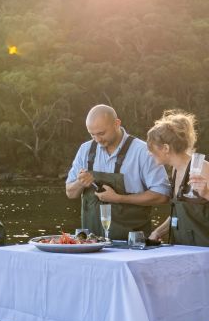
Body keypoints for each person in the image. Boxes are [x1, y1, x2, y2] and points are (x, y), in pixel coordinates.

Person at [66, 104, 170, 240]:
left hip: (132, 244)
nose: (97, 139)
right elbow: (70, 193)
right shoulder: (85, 150)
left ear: (117, 123)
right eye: (92, 134)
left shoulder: (143, 151)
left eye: (102, 133)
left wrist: (119, 198)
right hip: (90, 244)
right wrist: (80, 183)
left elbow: (162, 196)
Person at [147, 110, 209, 246]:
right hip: (183, 251)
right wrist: (158, 232)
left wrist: (206, 193)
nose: (149, 153)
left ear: (166, 148)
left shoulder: (202, 168)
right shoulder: (175, 170)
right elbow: (179, 212)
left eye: (151, 148)